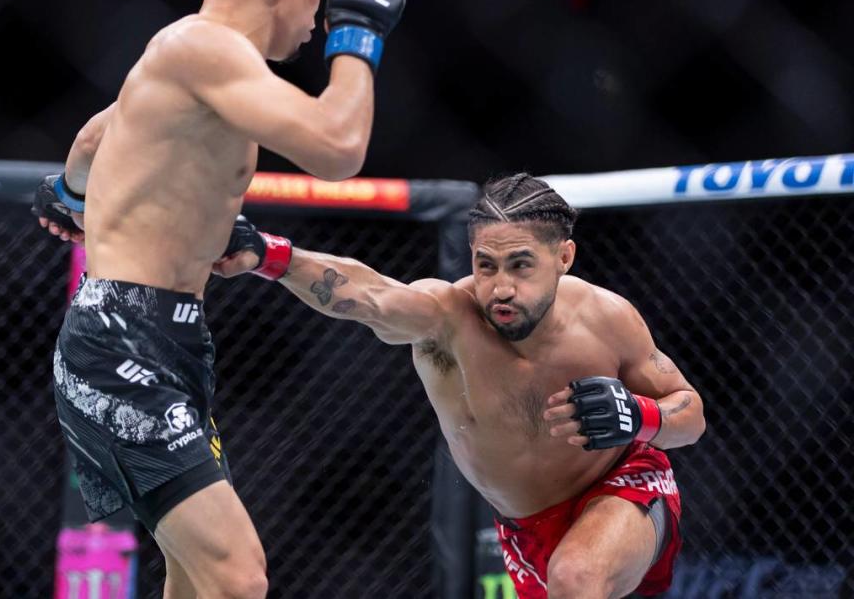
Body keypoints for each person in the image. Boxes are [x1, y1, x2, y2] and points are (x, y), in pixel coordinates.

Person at [30, 0, 407, 598]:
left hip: (167, 342)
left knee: (194, 581)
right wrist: (358, 35)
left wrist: (69, 194)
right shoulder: (202, 49)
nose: (320, 2)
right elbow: (338, 146)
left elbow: (98, 135)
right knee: (236, 578)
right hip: (121, 344)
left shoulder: (195, 59)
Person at [214, 173, 707, 599]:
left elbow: (691, 417)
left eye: (521, 264)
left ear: (564, 256)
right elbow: (368, 294)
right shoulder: (445, 319)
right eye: (486, 265)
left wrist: (641, 416)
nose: (501, 287)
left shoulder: (608, 318)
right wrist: (269, 254)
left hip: (623, 484)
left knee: (577, 575)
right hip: (524, 528)